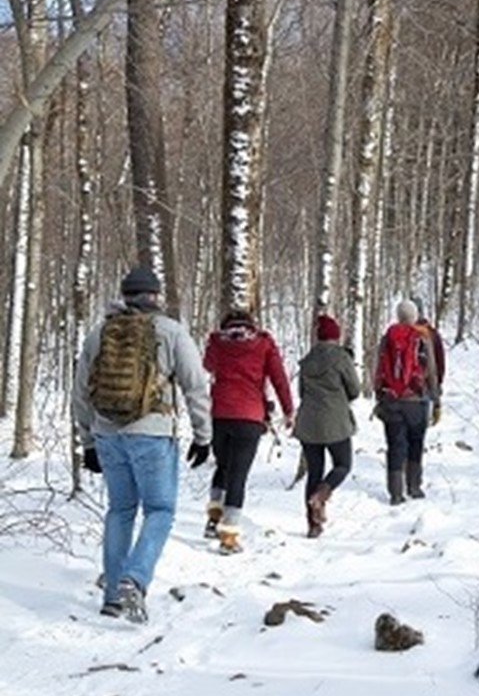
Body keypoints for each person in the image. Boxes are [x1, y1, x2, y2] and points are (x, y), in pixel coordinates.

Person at [73, 265, 212, 623]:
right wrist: (203, 435)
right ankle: (134, 581)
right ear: (155, 296)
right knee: (160, 511)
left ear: (125, 295)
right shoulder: (170, 331)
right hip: (151, 431)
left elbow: (80, 393)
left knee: (120, 511)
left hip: (107, 434)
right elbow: (194, 384)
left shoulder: (100, 332)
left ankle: (112, 596)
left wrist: (88, 441)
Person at [203, 309, 294, 554]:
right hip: (250, 416)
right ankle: (229, 537)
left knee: (223, 466)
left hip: (220, 415)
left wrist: (216, 341)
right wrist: (288, 410)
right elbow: (279, 378)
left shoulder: (218, 343)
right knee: (238, 475)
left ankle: (213, 519)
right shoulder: (263, 344)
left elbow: (207, 365)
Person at [293, 313, 360, 538]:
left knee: (314, 471)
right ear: (335, 337)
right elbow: (355, 389)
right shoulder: (341, 359)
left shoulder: (307, 361)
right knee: (343, 465)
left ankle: (312, 526)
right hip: (335, 422)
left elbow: (301, 392)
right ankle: (322, 495)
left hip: (308, 423)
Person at [373, 298, 441, 505]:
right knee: (416, 443)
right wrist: (436, 399)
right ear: (414, 317)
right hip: (416, 399)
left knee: (395, 444)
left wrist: (379, 394)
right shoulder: (422, 338)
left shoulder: (387, 339)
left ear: (398, 316)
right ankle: (414, 486)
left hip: (391, 399)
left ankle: (395, 493)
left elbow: (378, 370)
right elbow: (431, 370)